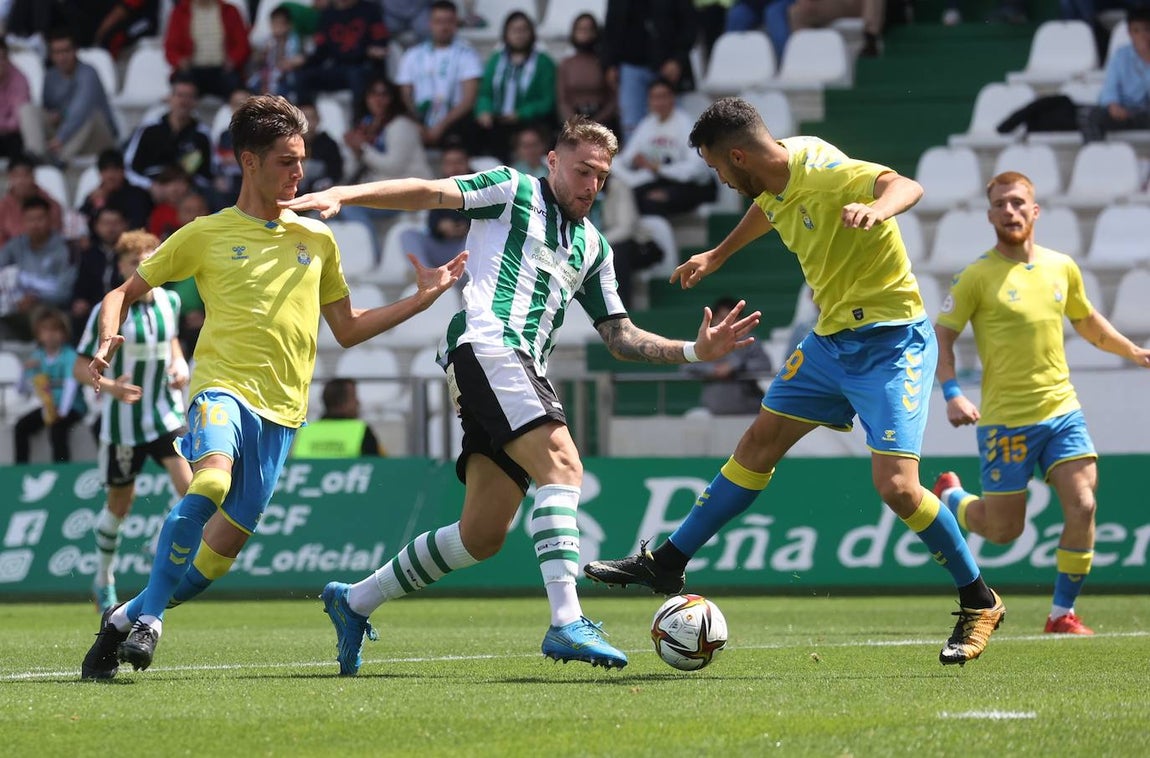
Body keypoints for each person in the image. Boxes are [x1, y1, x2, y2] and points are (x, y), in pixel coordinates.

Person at [281, 115, 761, 676]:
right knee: (562, 463)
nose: (591, 186)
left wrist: (694, 352)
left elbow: (621, 336)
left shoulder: (595, 247)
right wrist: (345, 192)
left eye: (601, 178)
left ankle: (355, 599)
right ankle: (566, 621)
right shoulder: (514, 189)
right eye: (582, 171)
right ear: (553, 161)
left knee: (481, 536)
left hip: (514, 365)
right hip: (489, 346)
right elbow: (432, 192)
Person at [583, 97, 1007, 667]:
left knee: (898, 488)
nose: (719, 179)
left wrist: (879, 211)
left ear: (738, 155)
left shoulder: (829, 173)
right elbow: (772, 207)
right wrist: (718, 254)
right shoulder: (777, 175)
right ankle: (669, 562)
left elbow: (905, 185)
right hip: (830, 343)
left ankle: (979, 600)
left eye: (716, 168)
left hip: (891, 345)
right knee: (757, 444)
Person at [79, 94, 466, 680]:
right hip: (221, 389)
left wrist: (423, 298)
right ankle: (151, 620)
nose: (299, 173)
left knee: (216, 560)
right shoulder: (205, 233)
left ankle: (120, 621)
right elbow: (121, 294)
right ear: (248, 162)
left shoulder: (318, 240)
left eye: (302, 160)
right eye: (286, 161)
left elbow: (350, 329)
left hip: (283, 413)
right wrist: (109, 338)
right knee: (210, 477)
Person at [932, 171, 1150, 636]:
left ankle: (1061, 614)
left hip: (1061, 411)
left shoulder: (1061, 267)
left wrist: (1131, 350)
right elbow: (942, 338)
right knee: (1003, 529)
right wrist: (952, 394)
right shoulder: (976, 276)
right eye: (1000, 204)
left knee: (1085, 504)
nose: (1009, 211)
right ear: (990, 214)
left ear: (1035, 211)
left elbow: (1087, 321)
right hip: (1005, 422)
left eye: (1017, 202)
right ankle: (952, 497)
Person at [75, 229, 193, 613]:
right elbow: (79, 366)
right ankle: (104, 579)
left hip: (163, 413)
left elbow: (172, 340)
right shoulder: (107, 310)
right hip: (123, 423)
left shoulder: (169, 301)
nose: (143, 266)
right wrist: (110, 387)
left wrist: (178, 364)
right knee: (119, 506)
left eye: (149, 258)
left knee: (192, 487)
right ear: (122, 267)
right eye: (134, 262)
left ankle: (159, 540)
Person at [611, 77, 716, 216]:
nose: (659, 102)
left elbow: (696, 169)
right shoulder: (647, 123)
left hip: (692, 185)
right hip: (657, 180)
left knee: (649, 203)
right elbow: (627, 156)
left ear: (672, 98)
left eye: (663, 97)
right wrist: (635, 160)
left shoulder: (685, 124)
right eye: (654, 97)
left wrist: (659, 168)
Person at [19, 28, 118, 167]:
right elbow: (49, 108)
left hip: (97, 137)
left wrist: (61, 137)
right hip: (67, 135)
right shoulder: (50, 76)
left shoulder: (89, 73)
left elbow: (81, 109)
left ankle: (60, 160)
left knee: (90, 115)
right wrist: (55, 116)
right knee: (27, 109)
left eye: (66, 51)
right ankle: (35, 156)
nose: (62, 57)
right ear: (51, 55)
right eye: (57, 52)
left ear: (76, 50)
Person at [395, 0, 482, 150]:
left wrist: (440, 127)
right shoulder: (412, 55)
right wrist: (419, 125)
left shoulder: (467, 54)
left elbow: (468, 99)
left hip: (454, 121)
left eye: (449, 21)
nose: (444, 27)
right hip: (419, 120)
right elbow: (404, 95)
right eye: (439, 21)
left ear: (456, 23)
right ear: (430, 23)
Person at [602, 0, 697, 138]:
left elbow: (689, 24)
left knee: (672, 122)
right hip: (630, 66)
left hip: (666, 65)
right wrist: (609, 63)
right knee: (631, 126)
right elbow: (611, 26)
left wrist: (677, 59)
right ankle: (636, 158)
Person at [474, 11, 557, 162]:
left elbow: (547, 100)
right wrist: (484, 110)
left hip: (528, 120)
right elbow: (485, 93)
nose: (519, 35)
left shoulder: (543, 62)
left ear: (531, 33)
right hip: (498, 118)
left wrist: (521, 113)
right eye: (514, 30)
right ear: (506, 34)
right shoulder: (496, 60)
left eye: (523, 30)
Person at [14, 307, 86, 462]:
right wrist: (23, 371)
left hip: (71, 407)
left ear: (64, 333)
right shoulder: (37, 356)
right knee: (21, 427)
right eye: (45, 330)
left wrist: (63, 411)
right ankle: (19, 472)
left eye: (55, 330)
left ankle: (61, 472)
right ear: (39, 335)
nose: (51, 335)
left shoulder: (69, 355)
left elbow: (70, 385)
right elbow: (22, 391)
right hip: (49, 409)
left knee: (58, 430)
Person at [123, 73, 214, 194]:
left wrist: (184, 185)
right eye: (180, 95)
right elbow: (129, 167)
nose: (183, 101)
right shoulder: (149, 129)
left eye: (189, 96)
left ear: (195, 102)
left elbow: (208, 176)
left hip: (186, 192)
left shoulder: (202, 135)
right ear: (169, 98)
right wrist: (151, 186)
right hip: (149, 190)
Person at [0, 195, 75, 341]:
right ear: (23, 222)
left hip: (51, 308)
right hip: (16, 305)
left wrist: (36, 298)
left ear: (50, 220)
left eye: (40, 219)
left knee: (41, 314)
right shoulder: (15, 246)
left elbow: (65, 292)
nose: (35, 224)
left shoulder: (64, 249)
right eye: (30, 219)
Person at [682, 295, 774, 414]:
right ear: (713, 319)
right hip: (714, 409)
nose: (725, 324)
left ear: (741, 320)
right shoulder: (706, 342)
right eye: (721, 318)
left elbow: (765, 365)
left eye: (732, 319)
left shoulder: (750, 340)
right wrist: (712, 370)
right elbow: (686, 367)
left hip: (749, 410)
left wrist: (735, 366)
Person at [1084, 6, 1150, 141]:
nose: (1142, 36)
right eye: (1136, 31)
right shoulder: (1121, 56)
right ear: (1130, 34)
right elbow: (1109, 87)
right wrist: (1113, 106)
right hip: (1125, 112)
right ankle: (1096, 158)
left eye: (1147, 30)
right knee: (1091, 116)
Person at [399, 145, 470, 269]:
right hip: (443, 245)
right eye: (449, 163)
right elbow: (432, 223)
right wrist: (441, 226)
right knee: (407, 235)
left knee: (474, 240)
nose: (454, 168)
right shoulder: (440, 187)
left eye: (458, 162)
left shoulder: (480, 186)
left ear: (466, 163)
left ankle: (457, 278)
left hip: (466, 247)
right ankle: (426, 275)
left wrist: (466, 227)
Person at [164, 0, 250, 101]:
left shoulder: (230, 11)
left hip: (223, 70)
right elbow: (170, 47)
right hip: (192, 70)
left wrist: (234, 61)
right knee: (182, 93)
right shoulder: (180, 11)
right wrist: (180, 61)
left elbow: (242, 44)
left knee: (239, 95)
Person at [555, 13, 618, 136]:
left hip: (602, 119)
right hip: (573, 120)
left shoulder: (604, 62)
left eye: (589, 29)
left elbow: (613, 97)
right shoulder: (566, 64)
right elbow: (562, 99)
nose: (585, 33)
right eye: (581, 29)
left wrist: (596, 122)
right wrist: (574, 122)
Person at [70, 205, 127, 338]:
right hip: (93, 309)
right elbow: (80, 285)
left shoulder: (130, 255)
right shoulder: (89, 255)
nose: (111, 228)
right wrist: (79, 301)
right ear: (96, 226)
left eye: (115, 223)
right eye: (106, 223)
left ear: (124, 225)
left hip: (124, 309)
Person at [292, 377, 385, 457]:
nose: (358, 402)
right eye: (353, 397)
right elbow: (379, 467)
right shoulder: (361, 429)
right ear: (341, 402)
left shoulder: (304, 430)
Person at [78, 149, 154, 233]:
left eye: (115, 169)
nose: (110, 175)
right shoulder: (94, 197)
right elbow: (81, 222)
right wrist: (91, 204)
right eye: (105, 170)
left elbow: (138, 225)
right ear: (100, 173)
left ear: (123, 171)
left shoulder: (138, 195)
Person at [0, 154, 63, 248]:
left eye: (25, 176)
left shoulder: (51, 206)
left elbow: (54, 239)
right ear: (10, 177)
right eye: (16, 176)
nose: (21, 181)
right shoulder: (3, 207)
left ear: (33, 176)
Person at [0, 38, 32, 161]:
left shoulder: (19, 79)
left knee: (16, 139)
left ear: (7, 59)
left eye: (1, 58)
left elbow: (18, 120)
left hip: (12, 136)